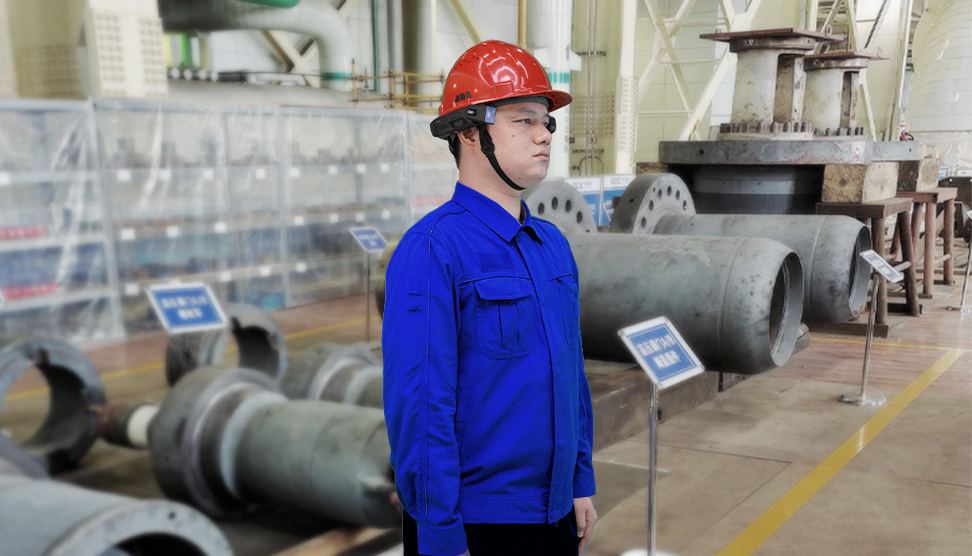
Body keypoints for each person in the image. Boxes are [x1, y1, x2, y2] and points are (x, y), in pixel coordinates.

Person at [382, 40, 596, 556]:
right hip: (477, 523)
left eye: (546, 121)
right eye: (524, 120)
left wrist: (579, 480)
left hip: (555, 513)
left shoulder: (550, 244)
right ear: (470, 132)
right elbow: (421, 405)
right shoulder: (433, 248)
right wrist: (439, 532)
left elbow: (571, 374)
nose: (544, 134)